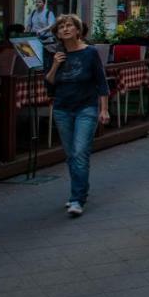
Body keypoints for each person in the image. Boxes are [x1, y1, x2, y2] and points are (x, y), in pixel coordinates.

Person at [43, 14, 110, 218]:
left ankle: (77, 198)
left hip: (86, 108)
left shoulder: (90, 53)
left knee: (80, 152)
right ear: (57, 33)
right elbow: (49, 84)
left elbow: (101, 81)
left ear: (78, 30)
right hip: (62, 108)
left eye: (69, 25)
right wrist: (55, 64)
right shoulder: (54, 54)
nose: (65, 29)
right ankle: (78, 191)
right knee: (72, 155)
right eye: (61, 27)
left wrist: (104, 109)